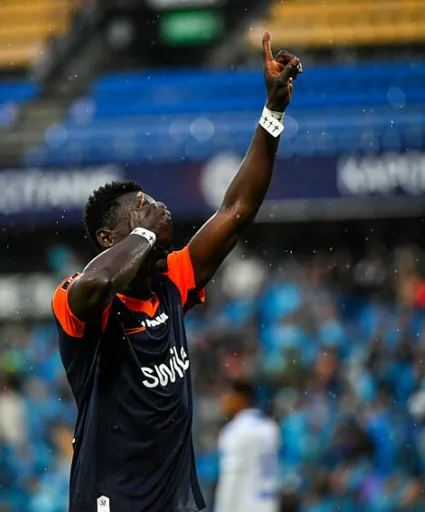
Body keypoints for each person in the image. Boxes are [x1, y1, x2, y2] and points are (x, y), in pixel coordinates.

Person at [51, 30, 302, 512]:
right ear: (108, 238)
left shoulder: (172, 280)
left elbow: (236, 210)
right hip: (111, 501)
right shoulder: (81, 302)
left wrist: (273, 113)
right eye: (141, 206)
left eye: (153, 201)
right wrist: (145, 235)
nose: (156, 208)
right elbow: (98, 282)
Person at [215, 380, 281, 512]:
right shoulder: (270, 427)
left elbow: (231, 476)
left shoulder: (235, 431)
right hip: (268, 504)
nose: (223, 400)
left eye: (228, 395)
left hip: (243, 506)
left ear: (241, 398)